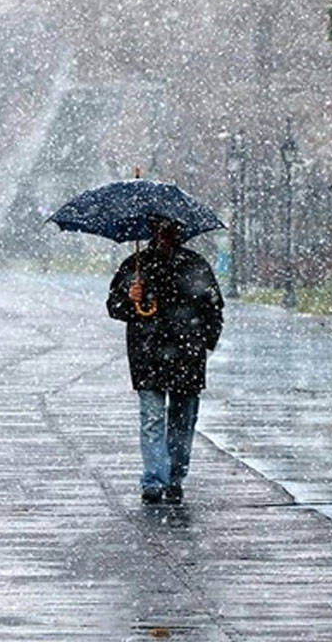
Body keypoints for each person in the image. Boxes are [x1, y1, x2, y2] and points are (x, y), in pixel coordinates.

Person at [107, 216, 224, 505]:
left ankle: (174, 478)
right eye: (160, 230)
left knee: (183, 421)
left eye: (170, 230)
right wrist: (129, 297)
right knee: (153, 419)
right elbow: (114, 306)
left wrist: (204, 343)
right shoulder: (136, 265)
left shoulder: (195, 265)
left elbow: (213, 308)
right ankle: (153, 480)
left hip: (187, 356)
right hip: (148, 355)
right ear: (152, 231)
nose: (165, 236)